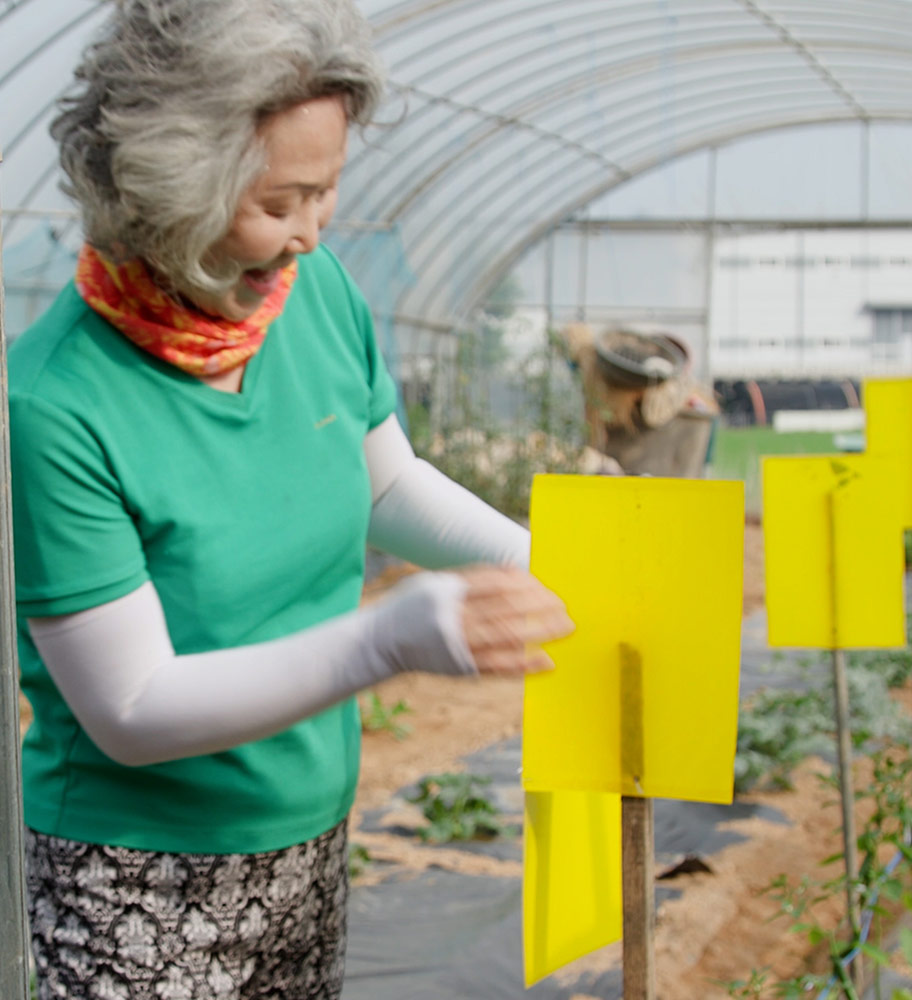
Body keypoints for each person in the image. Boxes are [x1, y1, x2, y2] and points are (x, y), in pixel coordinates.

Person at [9, 2, 574, 998]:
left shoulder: (311, 299)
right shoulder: (55, 402)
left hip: (308, 835)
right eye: (278, 203)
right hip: (136, 877)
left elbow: (384, 481)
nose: (312, 232)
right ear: (169, 193)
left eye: (327, 191)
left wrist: (542, 559)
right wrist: (385, 637)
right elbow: (132, 709)